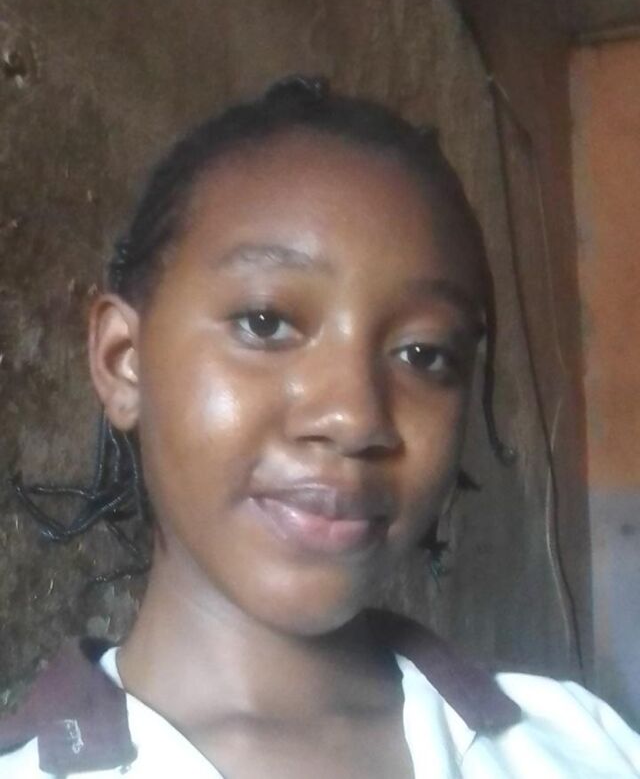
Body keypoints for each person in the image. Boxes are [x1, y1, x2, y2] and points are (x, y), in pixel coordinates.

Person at [2, 76, 639, 777]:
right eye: (265, 323)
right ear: (123, 362)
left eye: (424, 354)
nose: (355, 418)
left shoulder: (579, 746)